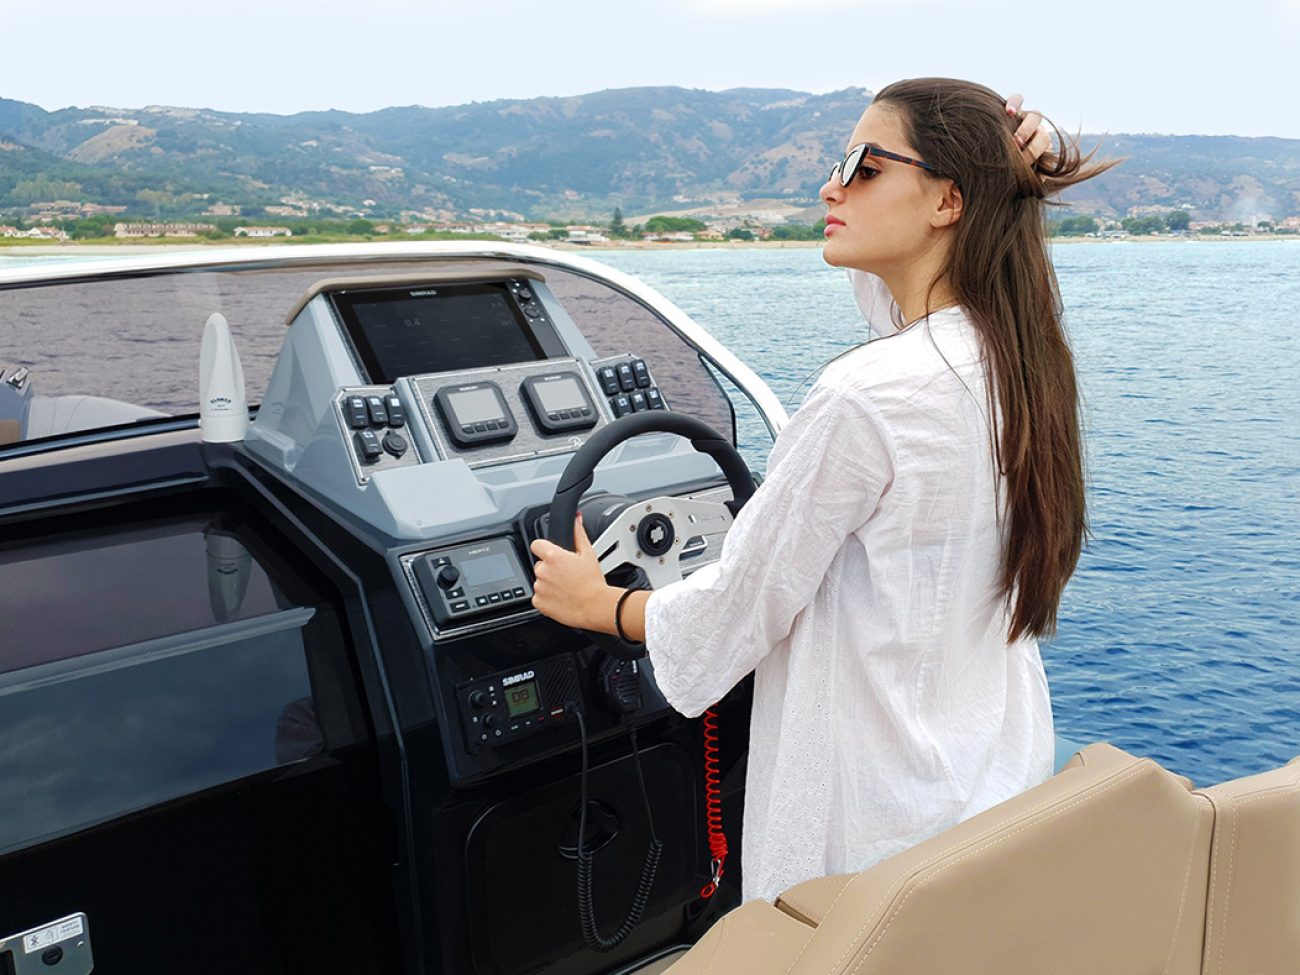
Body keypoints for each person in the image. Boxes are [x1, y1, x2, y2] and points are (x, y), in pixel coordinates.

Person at [529, 79, 1115, 903]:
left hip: (871, 837)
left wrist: (600, 605)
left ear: (948, 200)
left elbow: (739, 606)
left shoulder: (865, 397)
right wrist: (1002, 172)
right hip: (983, 794)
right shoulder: (1015, 361)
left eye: (863, 167)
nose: (829, 187)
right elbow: (913, 298)